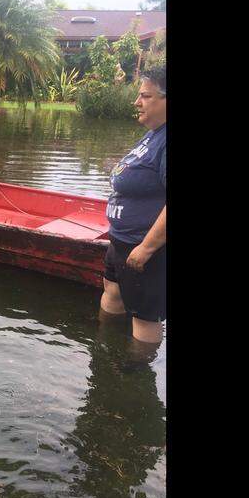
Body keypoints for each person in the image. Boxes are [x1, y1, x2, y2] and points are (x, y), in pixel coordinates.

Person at [99, 64, 166, 344]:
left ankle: (136, 376)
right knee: (112, 293)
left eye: (146, 96)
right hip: (120, 241)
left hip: (143, 249)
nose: (137, 102)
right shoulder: (153, 134)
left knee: (144, 317)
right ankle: (105, 349)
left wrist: (146, 249)